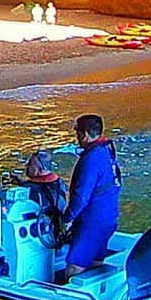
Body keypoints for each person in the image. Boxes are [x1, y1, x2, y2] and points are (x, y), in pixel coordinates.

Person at [62, 114, 122, 281]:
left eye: (78, 134)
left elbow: (81, 196)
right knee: (94, 264)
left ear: (84, 135)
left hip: (92, 223)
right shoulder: (107, 150)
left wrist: (67, 219)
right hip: (109, 218)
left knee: (74, 268)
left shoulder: (91, 159)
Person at [23, 150, 67, 236]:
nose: (27, 166)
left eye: (30, 164)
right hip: (57, 227)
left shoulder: (30, 189)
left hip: (40, 231)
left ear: (39, 169)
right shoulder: (60, 182)